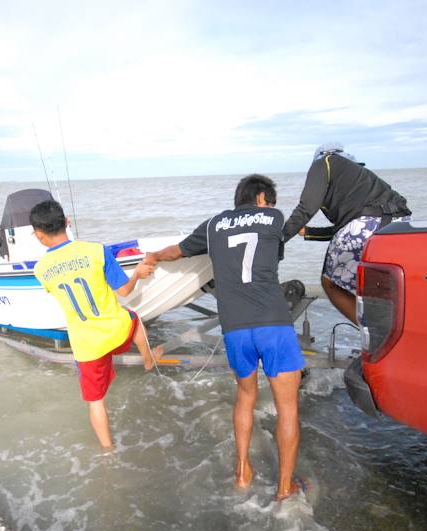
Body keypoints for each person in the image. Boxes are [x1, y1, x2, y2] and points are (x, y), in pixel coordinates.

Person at [144, 174, 306, 501]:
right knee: (287, 408)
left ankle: (243, 470)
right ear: (261, 198)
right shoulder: (274, 218)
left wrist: (154, 256)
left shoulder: (213, 224)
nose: (272, 206)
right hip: (273, 324)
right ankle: (285, 488)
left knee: (245, 396)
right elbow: (274, 251)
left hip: (235, 328)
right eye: (269, 200)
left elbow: (177, 252)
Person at [31, 199, 160, 449]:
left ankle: (108, 451)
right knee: (134, 318)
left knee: (96, 401)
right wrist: (137, 274)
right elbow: (123, 291)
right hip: (116, 330)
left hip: (86, 345)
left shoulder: (41, 269)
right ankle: (147, 359)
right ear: (67, 223)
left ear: (39, 235)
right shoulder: (96, 251)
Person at [282, 142, 411, 323]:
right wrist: (309, 232)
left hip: (367, 226)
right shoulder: (360, 176)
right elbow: (355, 224)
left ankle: (375, 337)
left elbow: (306, 208)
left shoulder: (324, 162)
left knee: (330, 283)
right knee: (381, 288)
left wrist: (279, 239)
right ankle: (397, 334)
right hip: (400, 227)